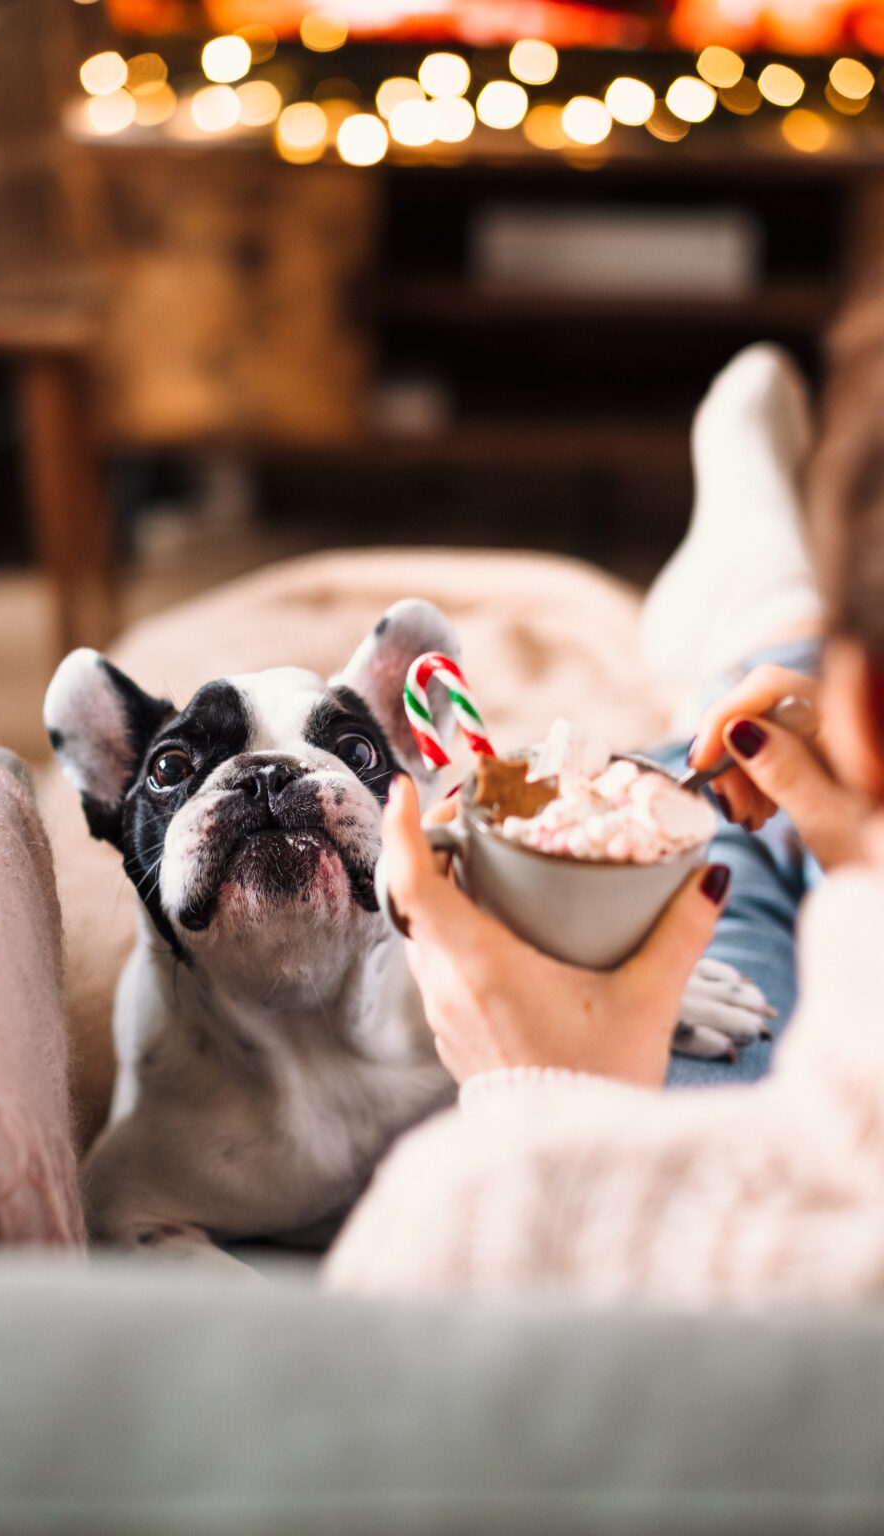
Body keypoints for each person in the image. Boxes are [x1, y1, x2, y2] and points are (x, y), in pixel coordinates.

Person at [322, 336, 884, 1303]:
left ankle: (766, 597)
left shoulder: (463, 1224)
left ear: (868, 709)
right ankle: (768, 598)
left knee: (727, 858)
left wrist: (539, 1101)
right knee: (755, 796)